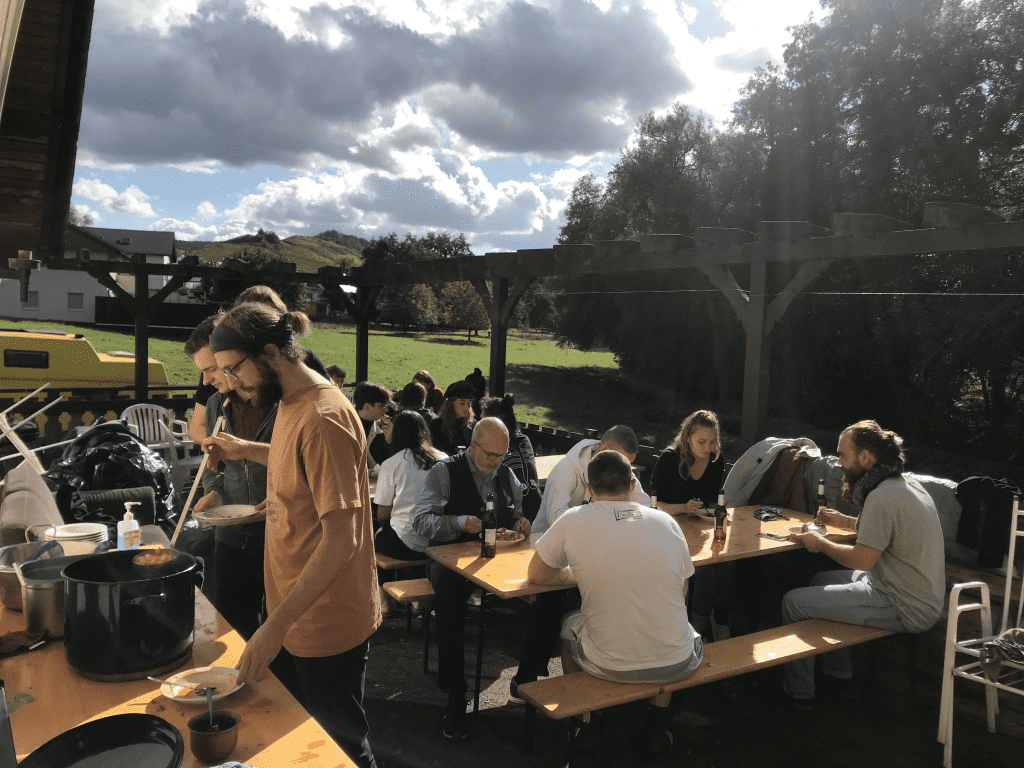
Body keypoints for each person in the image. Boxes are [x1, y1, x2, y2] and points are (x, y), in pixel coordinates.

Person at [202, 303, 381, 767]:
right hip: (288, 612)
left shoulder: (324, 417)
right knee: (297, 744)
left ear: (269, 352)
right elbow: (297, 465)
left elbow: (344, 539)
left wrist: (273, 627)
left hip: (324, 623)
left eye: (232, 370)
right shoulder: (288, 401)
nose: (231, 384)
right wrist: (270, 488)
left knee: (341, 748)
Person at [527, 450, 703, 755]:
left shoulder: (573, 520)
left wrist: (575, 573)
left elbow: (537, 575)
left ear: (590, 489)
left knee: (569, 626)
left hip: (609, 664)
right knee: (676, 626)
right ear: (633, 484)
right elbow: (683, 590)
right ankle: (657, 727)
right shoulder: (666, 522)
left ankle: (584, 722)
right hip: (677, 662)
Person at [782, 420, 946, 709]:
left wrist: (821, 544)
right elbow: (883, 529)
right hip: (916, 593)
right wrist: (841, 521)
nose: (838, 464)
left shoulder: (881, 496)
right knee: (820, 579)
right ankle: (839, 675)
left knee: (793, 602)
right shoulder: (905, 485)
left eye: (842, 455)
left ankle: (800, 693)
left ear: (865, 458)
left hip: (903, 604)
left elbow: (862, 558)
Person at [410, 417, 530, 739]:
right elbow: (420, 523)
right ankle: (455, 695)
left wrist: (520, 523)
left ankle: (529, 678)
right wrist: (460, 522)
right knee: (449, 603)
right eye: (490, 455)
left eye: (501, 456)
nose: (496, 462)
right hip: (448, 558)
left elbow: (516, 513)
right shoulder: (443, 472)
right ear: (473, 446)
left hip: (496, 560)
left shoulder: (506, 474)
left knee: (542, 592)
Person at [185, 317, 273, 641]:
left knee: (279, 635)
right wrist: (215, 493)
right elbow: (214, 466)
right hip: (231, 537)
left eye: (211, 369)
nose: (206, 381)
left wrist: (247, 450)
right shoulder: (215, 405)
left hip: (278, 535)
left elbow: (302, 461)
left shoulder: (282, 403)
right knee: (232, 632)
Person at [187, 286, 329, 444]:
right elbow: (196, 427)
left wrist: (245, 451)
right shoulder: (217, 392)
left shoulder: (303, 391)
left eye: (233, 369)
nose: (232, 382)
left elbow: (305, 445)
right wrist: (225, 450)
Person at [651, 410, 731, 640]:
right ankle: (698, 624)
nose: (708, 448)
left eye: (713, 441)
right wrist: (682, 508)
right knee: (704, 567)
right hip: (669, 527)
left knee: (727, 561)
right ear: (687, 438)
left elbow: (715, 501)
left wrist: (713, 510)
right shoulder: (669, 459)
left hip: (700, 527)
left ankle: (718, 616)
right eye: (701, 442)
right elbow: (652, 504)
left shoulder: (717, 459)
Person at [532, 425, 651, 535]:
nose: (625, 468)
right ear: (604, 448)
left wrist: (617, 516)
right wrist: (602, 522)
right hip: (544, 543)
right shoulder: (566, 469)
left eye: (628, 463)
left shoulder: (620, 467)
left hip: (591, 542)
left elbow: (644, 509)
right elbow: (556, 519)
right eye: (622, 460)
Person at [373, 410, 446, 561]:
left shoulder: (392, 463)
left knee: (374, 532)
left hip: (405, 540)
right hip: (438, 539)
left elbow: (383, 513)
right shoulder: (444, 458)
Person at [482, 394, 540, 521]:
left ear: (493, 423)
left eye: (483, 420)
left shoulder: (494, 443)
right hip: (537, 505)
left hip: (514, 512)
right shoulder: (524, 440)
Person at [352, 381, 393, 470]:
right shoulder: (345, 426)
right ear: (367, 407)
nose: (386, 410)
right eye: (382, 406)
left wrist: (389, 441)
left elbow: (388, 462)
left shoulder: (383, 427)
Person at [429, 380, 475, 456]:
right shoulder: (437, 424)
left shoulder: (471, 425)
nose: (467, 407)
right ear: (451, 403)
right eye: (462, 403)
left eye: (469, 403)